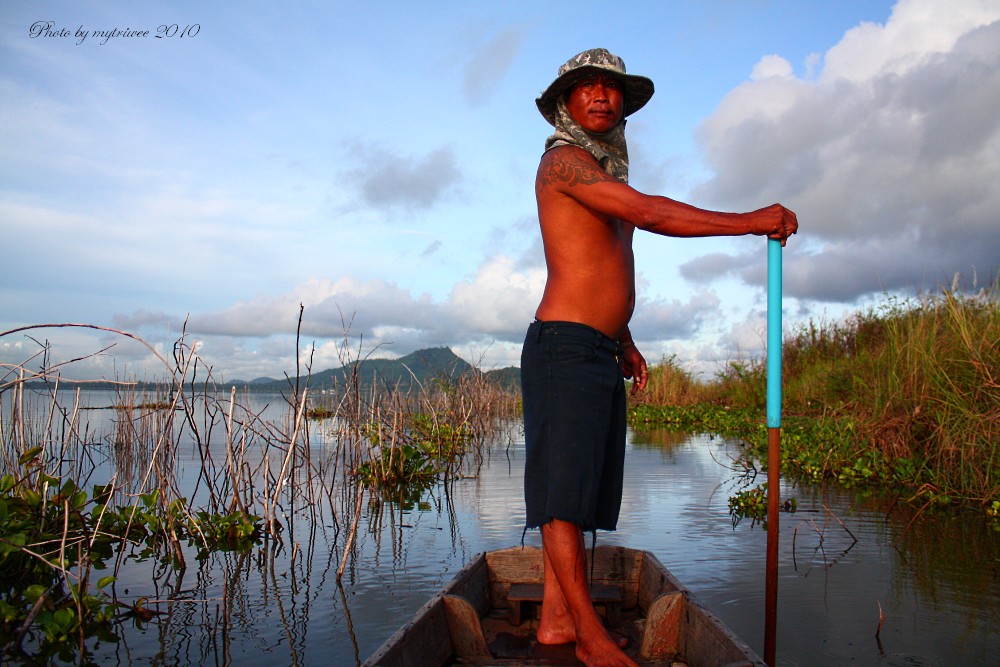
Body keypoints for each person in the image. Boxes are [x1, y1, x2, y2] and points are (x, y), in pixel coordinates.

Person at [520, 48, 798, 667]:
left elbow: (609, 261)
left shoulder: (604, 172)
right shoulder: (563, 162)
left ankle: (557, 624)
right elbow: (649, 213)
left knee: (582, 492)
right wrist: (749, 222)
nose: (601, 96)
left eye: (611, 89)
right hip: (561, 346)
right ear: (565, 103)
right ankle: (589, 638)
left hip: (595, 346)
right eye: (586, 88)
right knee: (561, 497)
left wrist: (623, 338)